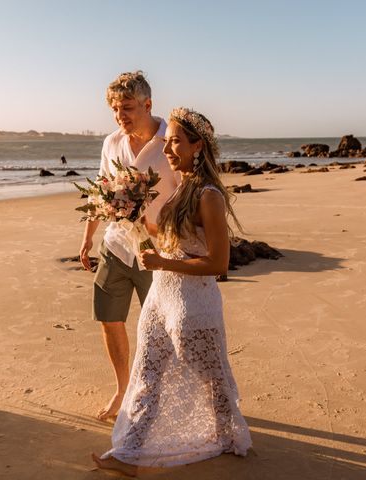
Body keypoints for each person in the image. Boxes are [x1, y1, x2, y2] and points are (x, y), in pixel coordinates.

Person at [92, 107, 252, 476]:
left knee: (212, 377)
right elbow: (173, 241)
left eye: (175, 142)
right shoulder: (181, 189)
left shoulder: (209, 196)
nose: (166, 150)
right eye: (166, 142)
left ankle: (230, 435)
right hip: (160, 300)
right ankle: (128, 454)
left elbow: (218, 264)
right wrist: (128, 213)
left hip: (192, 304)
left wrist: (165, 264)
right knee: (147, 373)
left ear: (198, 146)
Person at [79, 71, 179, 421]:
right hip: (116, 246)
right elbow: (101, 190)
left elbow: (188, 198)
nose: (120, 116)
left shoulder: (172, 142)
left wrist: (162, 228)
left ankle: (159, 394)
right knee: (109, 319)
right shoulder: (111, 143)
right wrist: (88, 235)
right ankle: (123, 390)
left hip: (160, 251)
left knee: (162, 326)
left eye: (128, 108)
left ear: (148, 104)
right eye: (115, 109)